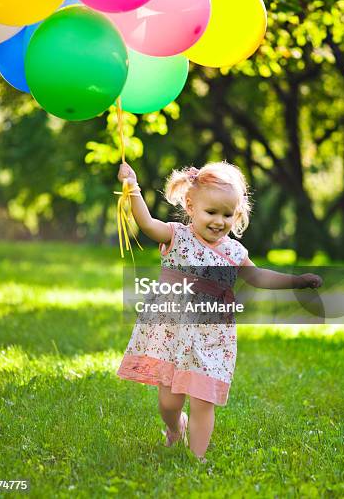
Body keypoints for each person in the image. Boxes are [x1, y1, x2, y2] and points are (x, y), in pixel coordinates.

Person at [116, 161, 322, 462]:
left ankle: (196, 460)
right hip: (173, 331)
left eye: (227, 214)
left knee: (203, 400)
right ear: (190, 205)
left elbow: (257, 276)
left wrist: (297, 281)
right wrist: (132, 186)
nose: (219, 221)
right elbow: (146, 223)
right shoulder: (176, 236)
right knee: (169, 402)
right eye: (211, 212)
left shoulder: (234, 252)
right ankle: (175, 427)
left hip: (212, 335)